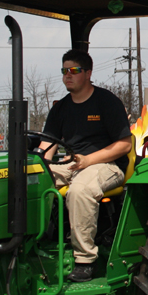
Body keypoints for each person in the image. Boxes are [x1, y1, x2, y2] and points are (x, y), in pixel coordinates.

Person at [38, 50, 131, 283]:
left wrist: (88, 160)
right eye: (64, 71)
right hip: (72, 163)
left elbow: (124, 145)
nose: (67, 75)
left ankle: (84, 260)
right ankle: (34, 242)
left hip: (107, 164)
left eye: (74, 70)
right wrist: (39, 165)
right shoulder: (60, 108)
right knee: (33, 179)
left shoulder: (107, 102)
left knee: (79, 190)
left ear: (88, 73)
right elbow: (47, 145)